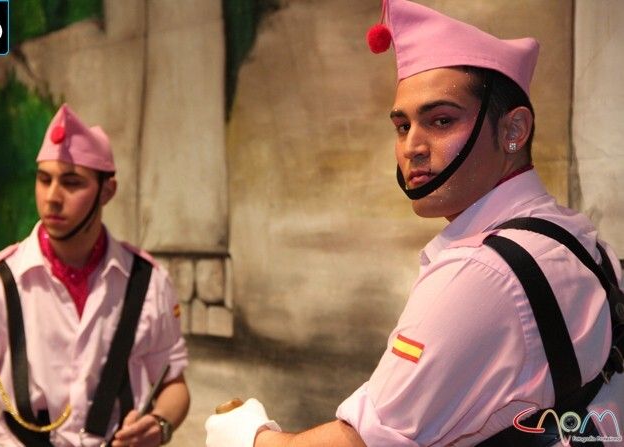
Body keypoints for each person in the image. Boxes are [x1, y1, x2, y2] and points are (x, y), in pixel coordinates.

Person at [205, 1, 623, 446]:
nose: (412, 147)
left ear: (513, 130)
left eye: (441, 120)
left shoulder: (480, 273)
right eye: (402, 127)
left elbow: (362, 442)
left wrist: (249, 437)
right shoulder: (581, 241)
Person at [0, 104, 190, 446]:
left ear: (107, 191)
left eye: (71, 182)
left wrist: (160, 422)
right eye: (44, 179)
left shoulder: (147, 281)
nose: (52, 197)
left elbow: (173, 384)